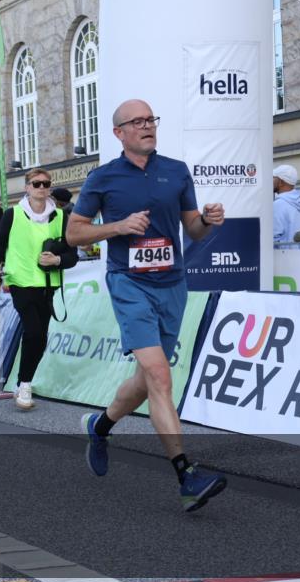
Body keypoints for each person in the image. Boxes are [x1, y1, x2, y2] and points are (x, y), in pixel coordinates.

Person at [66, 98, 227, 512]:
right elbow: (73, 235)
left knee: (147, 379)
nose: (147, 126)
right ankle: (186, 475)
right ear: (119, 133)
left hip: (172, 284)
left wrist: (208, 221)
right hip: (129, 283)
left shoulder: (175, 171)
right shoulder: (103, 178)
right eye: (137, 122)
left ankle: (99, 427)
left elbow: (192, 228)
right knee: (160, 374)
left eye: (151, 119)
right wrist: (118, 226)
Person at [0, 168, 77, 410]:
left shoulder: (60, 216)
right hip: (20, 282)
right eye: (36, 184)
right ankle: (25, 384)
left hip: (48, 284)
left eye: (46, 184)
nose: (42, 188)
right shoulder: (12, 214)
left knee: (41, 337)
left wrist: (57, 260)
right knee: (33, 331)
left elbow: (72, 255)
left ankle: (22, 382)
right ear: (27, 187)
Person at [272, 164, 300, 246]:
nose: (271, 181)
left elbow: (274, 237)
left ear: (281, 182)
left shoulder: (278, 204)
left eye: (273, 178)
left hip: (285, 256)